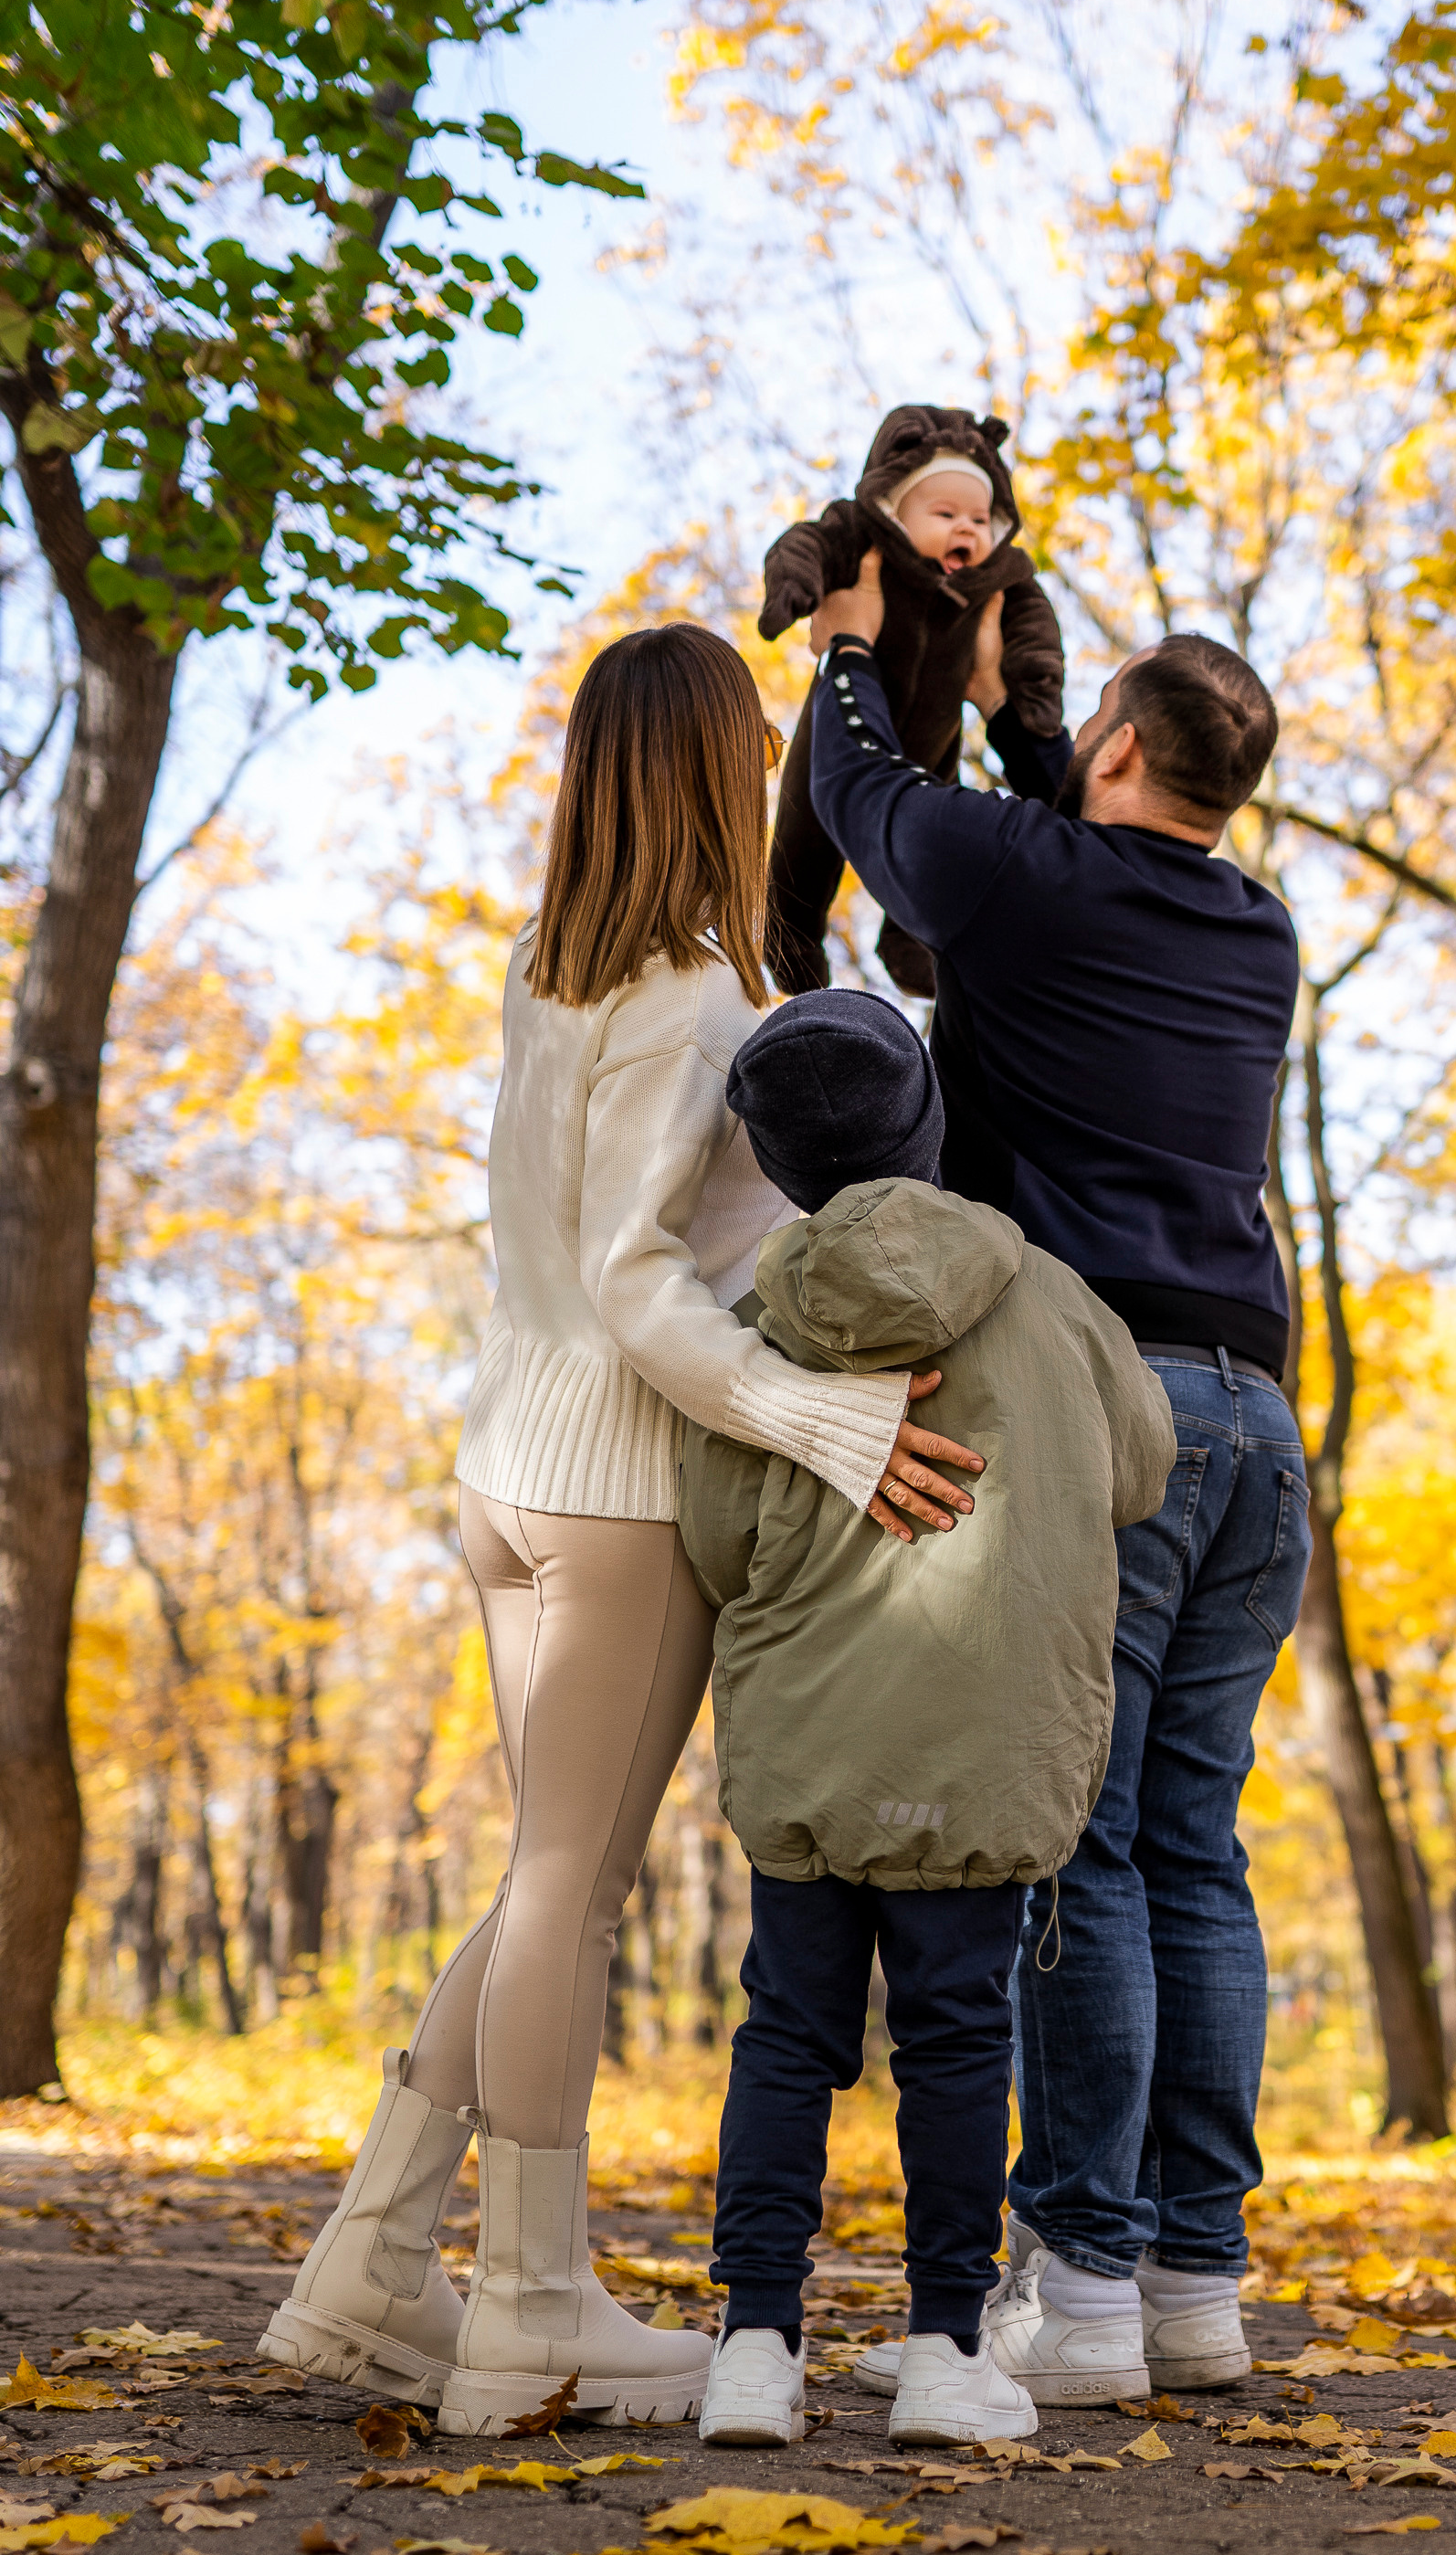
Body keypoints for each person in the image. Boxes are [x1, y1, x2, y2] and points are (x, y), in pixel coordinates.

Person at [258, 623, 986, 2440]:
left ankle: (372, 2258)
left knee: (539, 1882)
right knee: (566, 1900)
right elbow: (637, 1287)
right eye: (748, 755)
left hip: (506, 1471)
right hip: (615, 1492)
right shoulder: (692, 1006)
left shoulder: (550, 971)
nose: (764, 782)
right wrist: (826, 1419)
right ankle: (527, 2307)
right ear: (706, 776)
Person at [806, 554, 1309, 2405]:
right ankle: (1194, 2287)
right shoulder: (1250, 928)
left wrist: (854, 651)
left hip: (1109, 1424)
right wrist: (1042, 725)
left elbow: (870, 806)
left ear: (1109, 745)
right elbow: (1039, 858)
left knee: (1079, 1846)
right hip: (1260, 1427)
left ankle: (1081, 2291)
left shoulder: (1039, 881)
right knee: (1194, 1850)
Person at [677, 991, 1176, 2449]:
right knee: (960, 2042)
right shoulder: (1054, 1294)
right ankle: (947, 2350)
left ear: (772, 1164)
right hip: (992, 1747)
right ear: (929, 1121)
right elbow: (1141, 1470)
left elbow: (716, 1544)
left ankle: (755, 2347)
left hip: (814, 1745)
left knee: (786, 2038)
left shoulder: (756, 1332)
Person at [756, 404, 1065, 999]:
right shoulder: (863, 540)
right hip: (834, 732)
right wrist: (794, 588)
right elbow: (804, 546)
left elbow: (1035, 630)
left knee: (934, 845)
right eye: (945, 513)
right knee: (804, 837)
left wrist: (1030, 691)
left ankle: (909, 939)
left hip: (934, 742)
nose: (967, 530)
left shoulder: (994, 579)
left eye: (980, 518)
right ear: (895, 509)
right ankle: (789, 935)